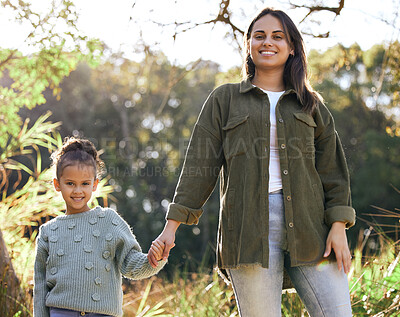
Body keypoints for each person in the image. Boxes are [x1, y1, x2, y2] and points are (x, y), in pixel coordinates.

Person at [148, 7, 355, 317]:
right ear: (248, 45)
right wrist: (170, 228)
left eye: (277, 36)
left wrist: (338, 226)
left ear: (292, 47)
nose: (267, 42)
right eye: (259, 36)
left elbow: (333, 172)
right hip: (246, 234)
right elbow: (199, 167)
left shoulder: (311, 104)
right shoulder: (224, 100)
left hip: (314, 232)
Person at [34, 137, 166, 317]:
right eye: (70, 183)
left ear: (95, 184)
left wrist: (152, 259)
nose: (78, 190)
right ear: (57, 184)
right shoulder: (48, 232)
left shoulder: (109, 221)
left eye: (85, 184)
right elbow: (40, 286)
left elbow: (130, 263)